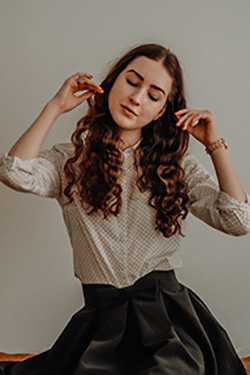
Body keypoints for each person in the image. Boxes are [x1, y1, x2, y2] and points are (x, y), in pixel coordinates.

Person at [0, 43, 249, 375]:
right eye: (132, 82)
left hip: (169, 319)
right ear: (113, 82)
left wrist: (214, 145)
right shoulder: (71, 162)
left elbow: (238, 221)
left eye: (154, 94)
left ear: (161, 111)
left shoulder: (177, 168)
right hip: (102, 320)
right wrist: (56, 106)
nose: (137, 97)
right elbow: (13, 172)